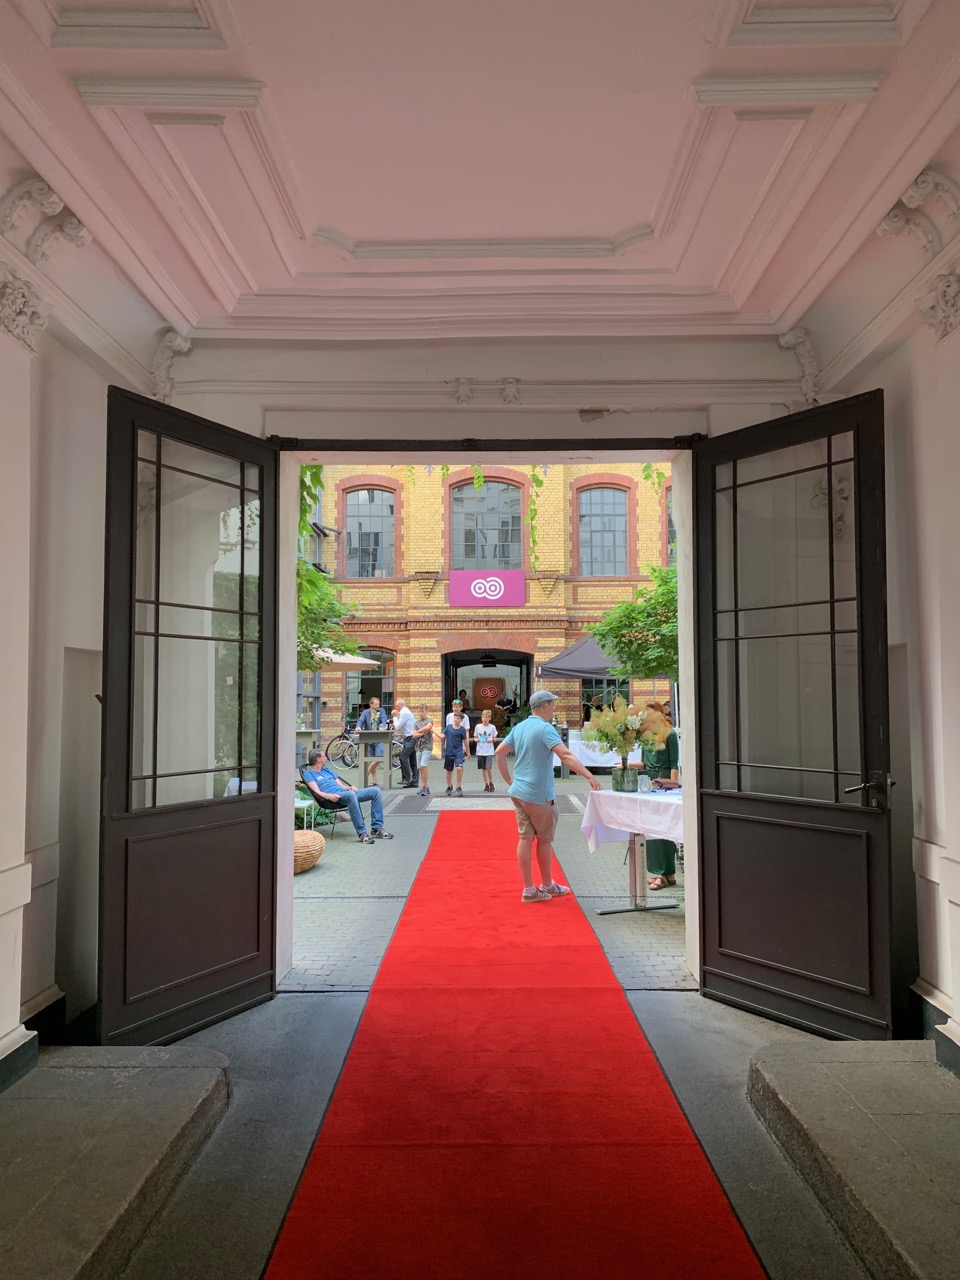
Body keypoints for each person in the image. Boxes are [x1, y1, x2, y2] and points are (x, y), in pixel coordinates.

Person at [495, 690, 602, 903]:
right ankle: (546, 885)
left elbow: (499, 752)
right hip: (539, 794)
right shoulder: (546, 729)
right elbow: (566, 755)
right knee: (544, 840)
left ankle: (529, 889)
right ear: (544, 707)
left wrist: (509, 780)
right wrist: (588, 775)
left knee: (525, 838)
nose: (554, 708)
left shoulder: (520, 727)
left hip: (518, 792)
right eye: (552, 705)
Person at [301, 748, 393, 845]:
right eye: (324, 756)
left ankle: (377, 828)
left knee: (376, 791)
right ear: (318, 759)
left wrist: (349, 787)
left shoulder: (327, 770)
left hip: (345, 793)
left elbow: (341, 785)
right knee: (351, 795)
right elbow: (316, 791)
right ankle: (362, 833)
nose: (326, 758)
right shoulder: (309, 774)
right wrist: (328, 796)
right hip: (331, 798)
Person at [634, 703, 680, 890]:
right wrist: (625, 763)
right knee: (650, 827)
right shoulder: (646, 736)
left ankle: (663, 872)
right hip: (648, 781)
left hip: (663, 782)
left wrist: (673, 785)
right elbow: (643, 763)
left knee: (664, 828)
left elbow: (674, 763)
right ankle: (666, 874)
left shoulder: (670, 734)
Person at [355, 695, 388, 787]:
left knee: (379, 757)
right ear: (371, 704)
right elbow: (360, 720)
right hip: (369, 739)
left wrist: (384, 725)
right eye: (376, 704)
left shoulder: (381, 711)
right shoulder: (365, 712)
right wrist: (358, 726)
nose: (378, 706)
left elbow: (384, 719)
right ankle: (375, 780)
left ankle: (366, 774)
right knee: (371, 759)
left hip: (379, 738)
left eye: (379, 704)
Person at [441, 711, 470, 796]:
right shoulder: (448, 728)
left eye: (458, 718)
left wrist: (468, 751)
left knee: (459, 768)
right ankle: (449, 786)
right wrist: (433, 731)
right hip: (449, 752)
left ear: (461, 720)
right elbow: (442, 736)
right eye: (455, 718)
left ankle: (459, 787)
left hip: (458, 752)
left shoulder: (462, 730)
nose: (455, 720)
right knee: (449, 770)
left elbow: (465, 742)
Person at [393, 697, 417, 787]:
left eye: (396, 707)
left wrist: (395, 717)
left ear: (398, 706)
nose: (395, 709)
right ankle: (415, 781)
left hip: (410, 738)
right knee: (412, 760)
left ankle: (406, 779)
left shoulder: (404, 713)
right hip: (411, 737)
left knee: (403, 757)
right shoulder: (406, 711)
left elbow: (398, 726)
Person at [474, 707, 498, 792]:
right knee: (483, 768)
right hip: (480, 750)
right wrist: (476, 740)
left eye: (486, 717)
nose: (484, 719)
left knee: (488, 767)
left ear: (489, 718)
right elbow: (475, 737)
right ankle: (486, 784)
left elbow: (495, 737)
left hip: (489, 750)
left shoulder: (492, 727)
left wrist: (492, 740)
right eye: (483, 717)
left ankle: (491, 782)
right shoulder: (478, 727)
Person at [413, 706, 435, 796]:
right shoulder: (416, 722)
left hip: (427, 746)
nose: (421, 713)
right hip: (418, 747)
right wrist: (422, 732)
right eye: (419, 711)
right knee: (420, 768)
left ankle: (426, 787)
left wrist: (419, 731)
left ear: (426, 711)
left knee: (423, 765)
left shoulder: (429, 719)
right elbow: (414, 735)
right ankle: (424, 786)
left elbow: (428, 727)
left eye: (422, 711)